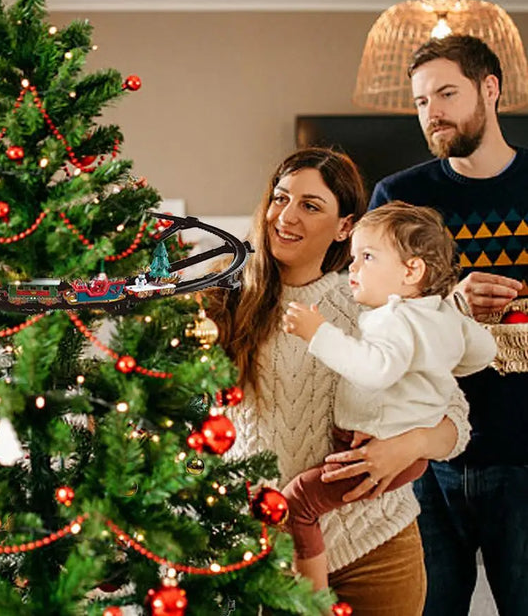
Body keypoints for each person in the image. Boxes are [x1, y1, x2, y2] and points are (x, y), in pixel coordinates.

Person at [210, 147, 472, 615]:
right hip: (267, 554)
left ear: (345, 227)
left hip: (376, 549)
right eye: (280, 197)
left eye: (311, 206)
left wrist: (407, 447)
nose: (286, 216)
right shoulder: (222, 303)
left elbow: (456, 420)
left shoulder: (375, 308)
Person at [368, 34, 528, 615]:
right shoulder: (399, 198)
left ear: (490, 90)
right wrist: (448, 305)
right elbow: (369, 317)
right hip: (426, 455)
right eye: (419, 101)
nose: (430, 112)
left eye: (445, 93)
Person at [278, 201, 496, 592]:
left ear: (411, 271)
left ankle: (310, 599)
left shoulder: (394, 317)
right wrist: (440, 359)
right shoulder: (442, 313)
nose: (354, 268)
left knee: (298, 504)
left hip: (371, 451)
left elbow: (375, 370)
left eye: (367, 257)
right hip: (402, 454)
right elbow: (483, 352)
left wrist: (318, 333)